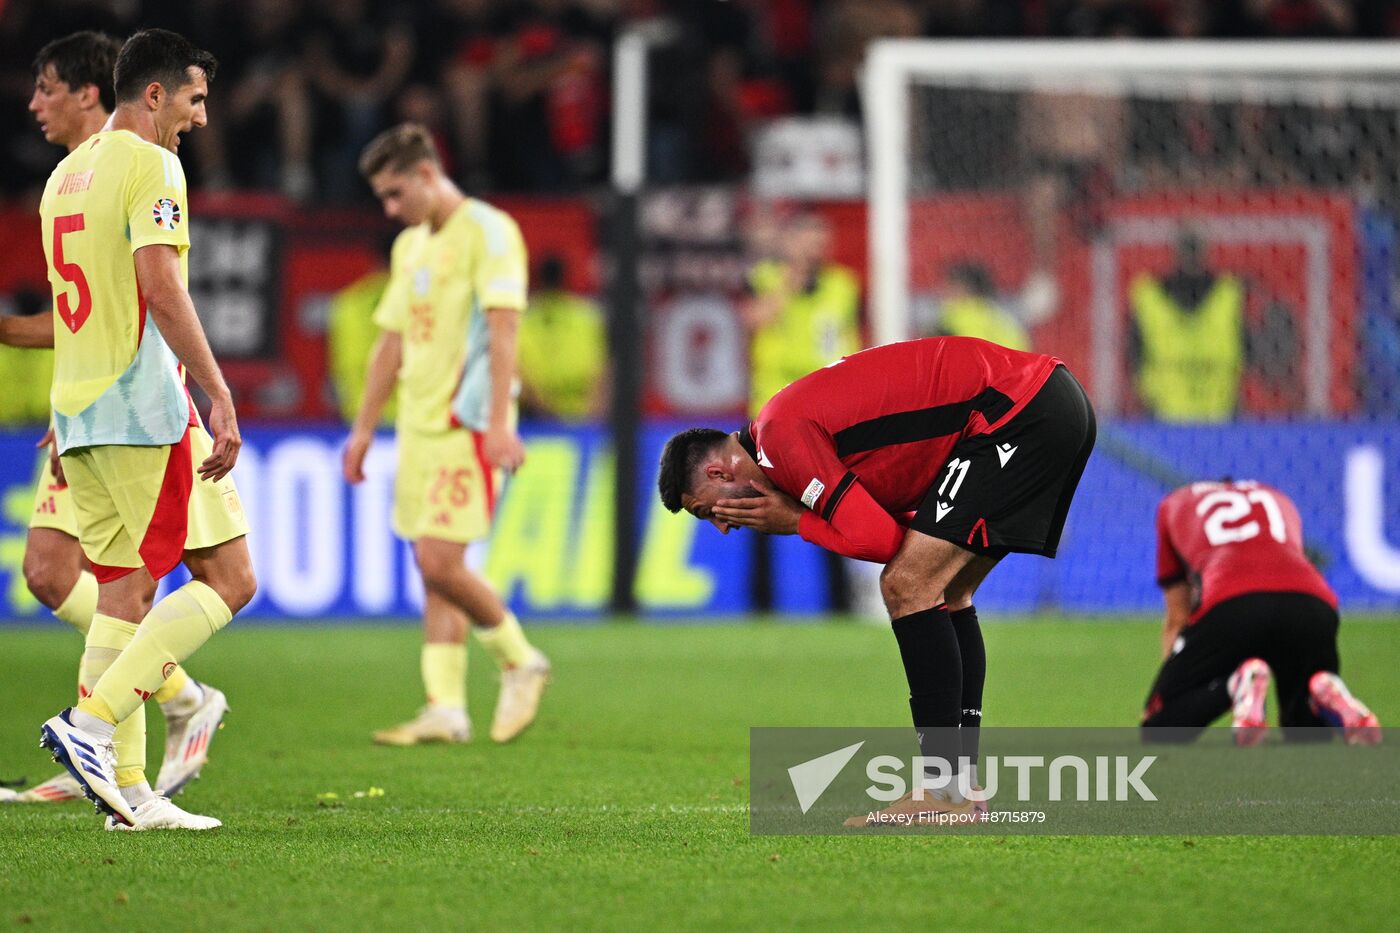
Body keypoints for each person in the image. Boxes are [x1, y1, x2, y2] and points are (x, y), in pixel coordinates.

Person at [657, 336, 1096, 823]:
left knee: (906, 585)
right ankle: (959, 791)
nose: (722, 525)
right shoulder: (784, 435)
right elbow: (896, 530)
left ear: (718, 472)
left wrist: (796, 522)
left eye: (706, 511)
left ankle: (942, 794)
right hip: (1044, 402)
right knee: (946, 592)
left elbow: (884, 546)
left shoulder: (779, 438)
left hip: (1015, 413)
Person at [0, 31, 229, 812]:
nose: (200, 118)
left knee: (119, 592)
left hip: (77, 412)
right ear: (156, 94)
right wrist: (216, 387)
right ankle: (96, 724)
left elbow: (77, 311)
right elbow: (160, 286)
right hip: (140, 408)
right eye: (195, 100)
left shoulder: (63, 179)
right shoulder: (152, 164)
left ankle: (129, 787)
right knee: (230, 579)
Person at [343, 123, 550, 747]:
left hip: (466, 424)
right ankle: (445, 708)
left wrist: (497, 426)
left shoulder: (490, 232)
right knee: (431, 568)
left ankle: (520, 660)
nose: (389, 208)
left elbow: (505, 328)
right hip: (418, 428)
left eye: (395, 192)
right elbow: (391, 342)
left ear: (429, 174)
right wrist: (362, 431)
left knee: (440, 559)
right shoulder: (411, 246)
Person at [1141, 479, 1380, 746]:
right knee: (1306, 733)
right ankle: (1322, 691)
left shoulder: (1173, 503)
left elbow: (1178, 615)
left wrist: (1174, 680)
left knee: (1157, 729)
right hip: (1312, 603)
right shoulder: (1278, 496)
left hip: (1232, 603)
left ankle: (1236, 684)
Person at [742, 210, 861, 612]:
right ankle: (761, 606)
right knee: (760, 508)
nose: (815, 245)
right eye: (807, 236)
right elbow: (753, 320)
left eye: (820, 237)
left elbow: (853, 346)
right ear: (789, 241)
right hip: (770, 415)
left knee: (832, 506)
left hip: (822, 417)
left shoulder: (843, 286)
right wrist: (787, 284)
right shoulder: (764, 278)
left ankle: (839, 605)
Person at [1128, 229, 1244, 422]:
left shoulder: (1229, 294)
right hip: (1197, 414)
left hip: (1184, 413)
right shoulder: (1229, 294)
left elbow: (1133, 359)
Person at [517, 254, 606, 421]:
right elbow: (602, 373)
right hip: (579, 420)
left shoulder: (522, 319)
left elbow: (518, 373)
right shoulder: (587, 317)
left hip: (540, 419)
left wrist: (547, 413)